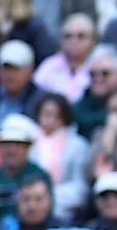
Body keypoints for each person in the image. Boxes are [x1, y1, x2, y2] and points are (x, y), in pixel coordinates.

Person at [0, 112, 52, 227]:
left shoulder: (40, 177)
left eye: (18, 144)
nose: (11, 150)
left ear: (28, 147)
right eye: (7, 144)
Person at [29, 92, 91, 222]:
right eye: (46, 114)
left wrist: (46, 198)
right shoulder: (29, 142)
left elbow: (80, 187)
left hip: (63, 210)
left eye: (55, 115)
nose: (50, 120)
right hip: (29, 205)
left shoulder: (77, 146)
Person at [32, 12, 98, 105]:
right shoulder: (49, 66)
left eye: (81, 36)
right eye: (68, 36)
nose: (74, 41)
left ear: (92, 40)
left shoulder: (99, 66)